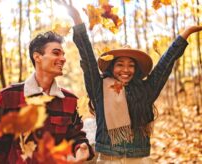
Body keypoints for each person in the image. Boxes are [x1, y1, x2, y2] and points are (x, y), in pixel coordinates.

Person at [60, 1, 202, 163]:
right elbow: (88, 58)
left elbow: (165, 65)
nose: (125, 70)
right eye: (120, 64)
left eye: (131, 65)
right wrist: (77, 20)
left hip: (137, 158)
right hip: (108, 158)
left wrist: (186, 33)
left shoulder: (145, 90)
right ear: (111, 67)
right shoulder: (99, 88)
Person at [0, 31, 94, 163]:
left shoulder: (69, 100)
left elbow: (76, 136)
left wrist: (81, 147)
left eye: (63, 54)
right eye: (56, 53)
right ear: (37, 57)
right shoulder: (9, 96)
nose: (63, 58)